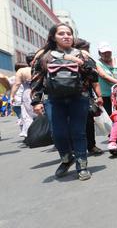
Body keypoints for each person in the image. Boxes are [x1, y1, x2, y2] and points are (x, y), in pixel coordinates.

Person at [31, 23, 98, 181]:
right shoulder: (44, 56)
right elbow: (36, 79)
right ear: (53, 37)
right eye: (61, 33)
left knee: (78, 132)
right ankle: (67, 159)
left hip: (79, 98)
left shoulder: (82, 54)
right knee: (58, 133)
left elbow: (94, 76)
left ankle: (82, 165)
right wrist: (36, 101)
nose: (66, 36)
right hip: (54, 100)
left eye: (69, 33)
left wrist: (81, 63)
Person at [75, 38, 104, 155]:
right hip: (82, 95)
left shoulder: (59, 56)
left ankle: (88, 146)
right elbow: (95, 80)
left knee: (86, 122)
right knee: (87, 122)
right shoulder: (86, 58)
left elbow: (94, 79)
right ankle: (89, 146)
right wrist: (99, 96)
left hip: (81, 95)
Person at [10, 54, 35, 137]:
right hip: (41, 91)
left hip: (28, 93)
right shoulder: (41, 66)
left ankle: (31, 135)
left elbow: (17, 84)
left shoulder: (21, 71)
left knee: (27, 115)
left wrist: (11, 96)